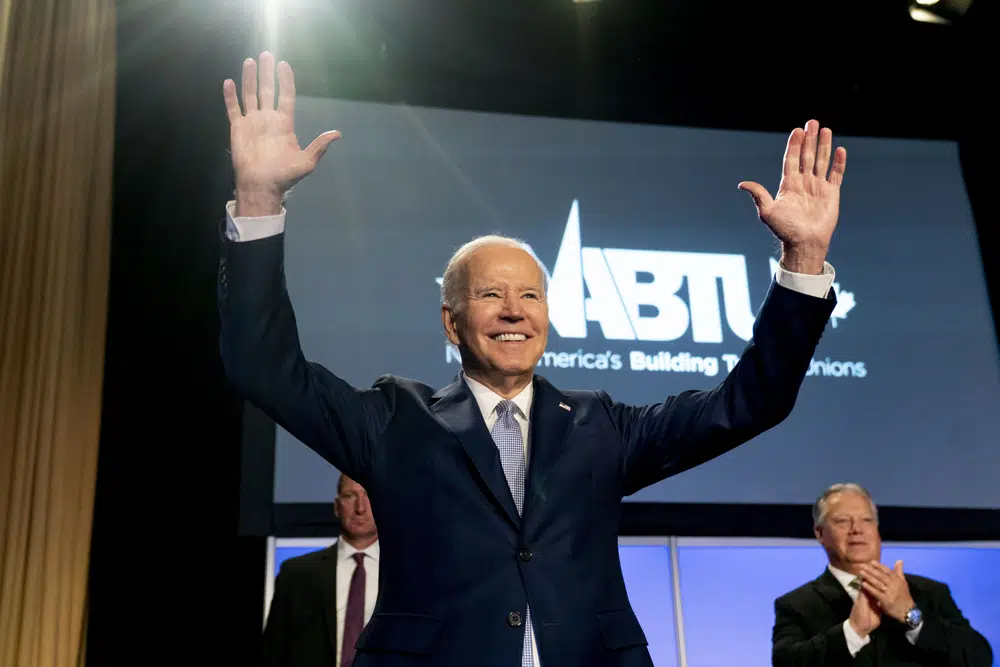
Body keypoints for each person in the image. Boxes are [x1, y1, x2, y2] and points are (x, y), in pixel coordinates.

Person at [219, 51, 845, 667]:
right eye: (490, 295)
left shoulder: (601, 426)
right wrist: (257, 198)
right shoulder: (394, 420)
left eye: (531, 295)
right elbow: (263, 366)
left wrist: (804, 263)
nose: (515, 311)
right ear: (451, 321)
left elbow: (749, 403)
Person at [771, 483, 993, 667]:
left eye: (866, 520)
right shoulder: (796, 604)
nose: (856, 529)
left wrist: (911, 616)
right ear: (819, 533)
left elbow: (979, 658)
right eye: (842, 521)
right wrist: (853, 631)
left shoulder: (929, 592)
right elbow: (787, 663)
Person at [261, 474, 379, 667]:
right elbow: (272, 655)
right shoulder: (296, 575)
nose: (360, 508)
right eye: (350, 495)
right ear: (336, 506)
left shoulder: (405, 577)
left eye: (368, 496)